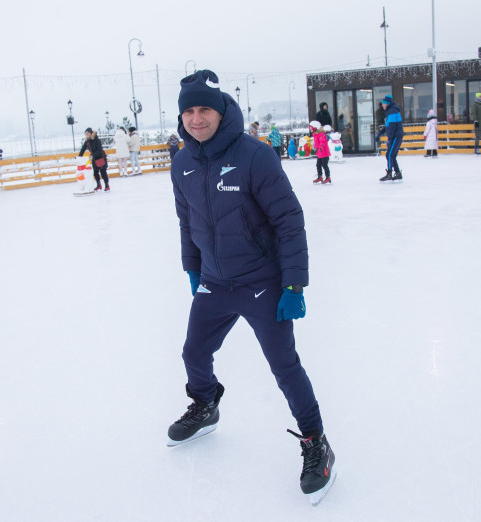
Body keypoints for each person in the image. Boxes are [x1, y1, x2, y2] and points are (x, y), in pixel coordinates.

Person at [168, 70, 335, 504]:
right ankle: (206, 405)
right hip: (214, 281)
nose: (196, 118)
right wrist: (192, 267)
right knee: (193, 352)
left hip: (262, 282)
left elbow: (288, 219)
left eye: (204, 108)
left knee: (284, 367)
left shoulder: (254, 156)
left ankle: (316, 441)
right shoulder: (182, 161)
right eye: (188, 110)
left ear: (221, 111)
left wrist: (294, 284)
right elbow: (187, 221)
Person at [375, 94, 404, 181]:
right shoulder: (391, 111)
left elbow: (392, 127)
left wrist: (389, 140)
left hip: (396, 136)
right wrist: (380, 133)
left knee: (390, 155)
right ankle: (397, 173)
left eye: (383, 104)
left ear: (387, 104)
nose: (382, 105)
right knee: (392, 155)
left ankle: (389, 174)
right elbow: (387, 126)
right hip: (396, 136)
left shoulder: (392, 112)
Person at [78, 127, 109, 192]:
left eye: (88, 133)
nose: (87, 134)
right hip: (94, 158)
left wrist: (93, 155)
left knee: (103, 172)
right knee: (95, 172)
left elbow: (99, 150)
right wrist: (79, 157)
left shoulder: (97, 140)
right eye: (85, 133)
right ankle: (99, 185)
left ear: (91, 133)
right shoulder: (87, 141)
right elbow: (83, 149)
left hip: (101, 157)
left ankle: (107, 185)